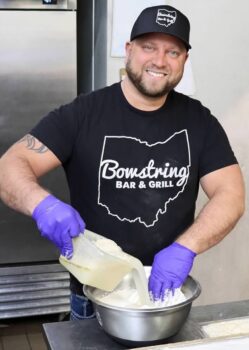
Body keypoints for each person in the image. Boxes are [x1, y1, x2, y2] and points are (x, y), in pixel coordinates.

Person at [0, 5, 245, 320]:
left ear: (184, 60)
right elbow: (10, 165)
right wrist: (42, 204)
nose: (159, 60)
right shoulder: (83, 114)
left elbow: (231, 194)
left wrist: (187, 246)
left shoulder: (200, 121)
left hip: (164, 295)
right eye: (148, 47)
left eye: (173, 51)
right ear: (128, 50)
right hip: (94, 298)